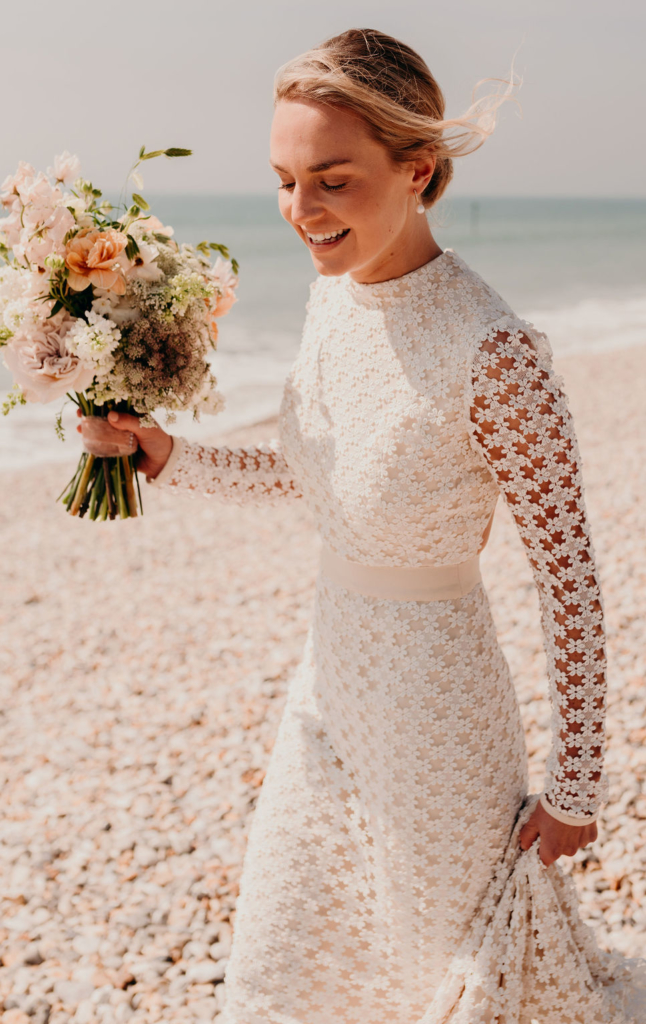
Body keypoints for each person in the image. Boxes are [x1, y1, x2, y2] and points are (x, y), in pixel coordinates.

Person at [79, 27, 646, 1024]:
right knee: (281, 965)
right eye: (284, 181)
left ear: (416, 169)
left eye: (331, 180)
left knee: (429, 981)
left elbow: (570, 580)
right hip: (325, 690)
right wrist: (164, 456)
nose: (301, 212)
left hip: (438, 714)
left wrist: (573, 786)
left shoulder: (495, 350)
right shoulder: (330, 300)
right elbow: (317, 482)